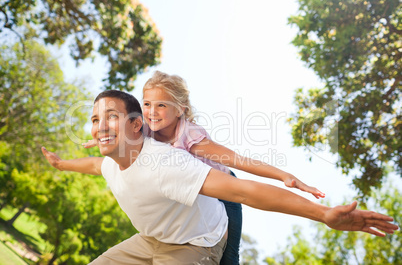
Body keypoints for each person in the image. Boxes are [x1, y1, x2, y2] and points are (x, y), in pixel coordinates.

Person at [42, 89, 398, 265]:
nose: (99, 126)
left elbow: (243, 185)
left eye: (111, 117)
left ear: (137, 125)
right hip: (152, 237)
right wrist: (61, 164)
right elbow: (93, 165)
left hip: (199, 239)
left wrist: (320, 212)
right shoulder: (112, 160)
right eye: (93, 119)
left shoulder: (173, 158)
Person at [81, 71, 325, 265]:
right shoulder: (143, 126)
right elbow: (120, 133)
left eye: (162, 106)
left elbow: (239, 160)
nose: (152, 112)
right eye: (147, 104)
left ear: (180, 109)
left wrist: (284, 175)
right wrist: (103, 136)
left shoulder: (192, 138)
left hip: (224, 194)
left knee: (229, 258)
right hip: (190, 194)